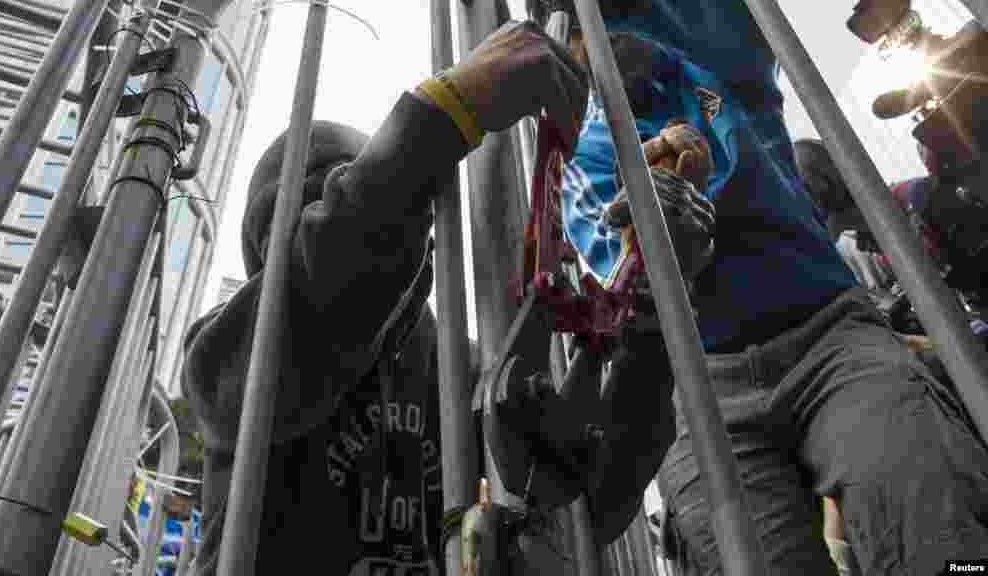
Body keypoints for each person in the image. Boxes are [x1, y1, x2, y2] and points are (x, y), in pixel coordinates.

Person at [182, 18, 675, 574]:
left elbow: (581, 504)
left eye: (346, 191)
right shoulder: (224, 355)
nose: (330, 218)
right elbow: (323, 294)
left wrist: (653, 311)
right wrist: (441, 117)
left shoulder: (465, 371)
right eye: (310, 210)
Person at [524, 1, 988, 574]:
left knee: (939, 532)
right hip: (697, 386)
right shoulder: (567, 118)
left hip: (828, 331)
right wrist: (651, 248)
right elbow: (614, 267)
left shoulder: (716, 16)